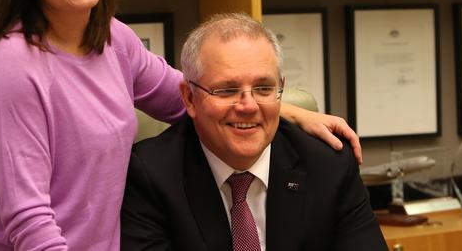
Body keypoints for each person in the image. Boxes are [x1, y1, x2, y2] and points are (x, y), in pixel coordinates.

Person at [0, 0, 363, 250]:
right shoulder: (13, 67)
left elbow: (192, 97)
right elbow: (28, 222)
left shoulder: (112, 39)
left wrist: (290, 111)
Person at [121, 13, 386, 250]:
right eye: (226, 90)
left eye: (263, 88)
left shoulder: (328, 165)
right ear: (189, 98)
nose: (248, 106)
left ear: (280, 88)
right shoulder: (149, 176)